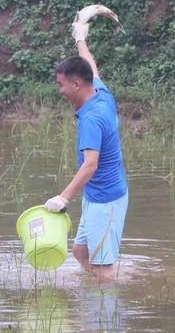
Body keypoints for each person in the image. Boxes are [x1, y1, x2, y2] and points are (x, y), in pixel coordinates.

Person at [43, 18, 129, 281]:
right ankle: (103, 294)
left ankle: (107, 307)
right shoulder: (100, 92)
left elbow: (90, 164)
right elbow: (91, 66)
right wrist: (80, 38)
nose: (61, 90)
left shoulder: (91, 118)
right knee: (80, 252)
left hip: (106, 200)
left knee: (103, 269)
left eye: (62, 85)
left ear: (77, 85)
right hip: (96, 196)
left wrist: (63, 198)